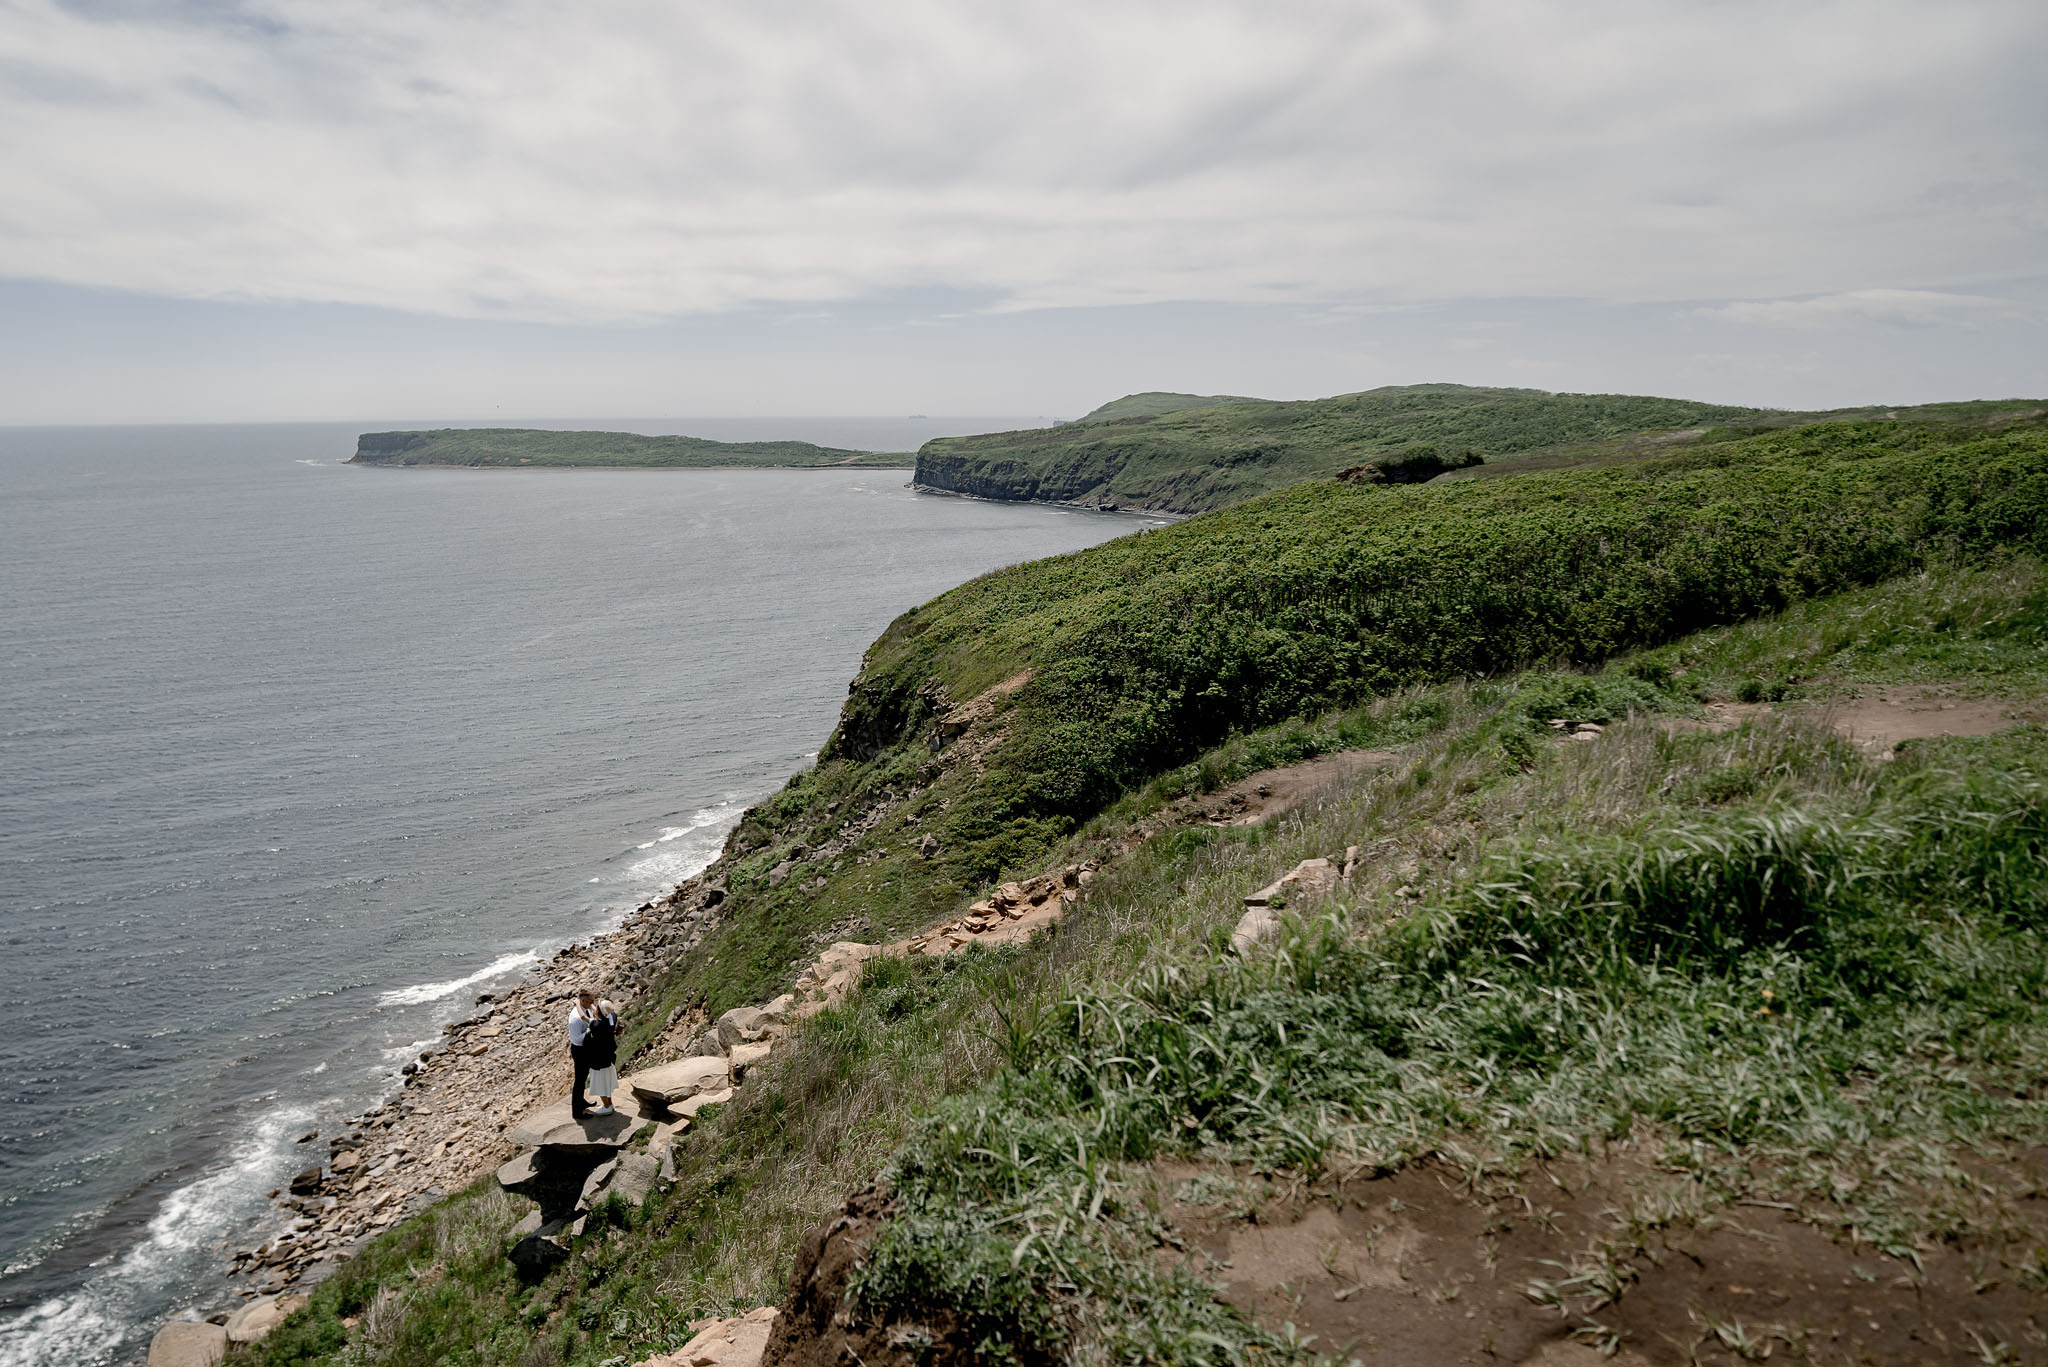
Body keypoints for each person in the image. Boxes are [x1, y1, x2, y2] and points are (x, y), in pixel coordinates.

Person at [584, 999, 622, 1116]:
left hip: (598, 1059)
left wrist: (578, 1005)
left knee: (600, 1084)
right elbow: (601, 1014)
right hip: (608, 1057)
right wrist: (591, 1006)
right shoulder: (612, 1017)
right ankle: (609, 1104)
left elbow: (583, 1018)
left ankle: (607, 1106)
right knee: (607, 1083)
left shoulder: (597, 1025)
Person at [566, 990, 596, 1118]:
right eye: (590, 1001)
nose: (591, 1004)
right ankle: (577, 1112)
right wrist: (591, 1032)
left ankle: (581, 1101)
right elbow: (577, 1038)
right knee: (579, 1081)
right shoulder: (576, 1018)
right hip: (580, 1051)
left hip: (583, 1049)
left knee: (582, 1079)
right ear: (583, 1001)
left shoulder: (584, 1008)